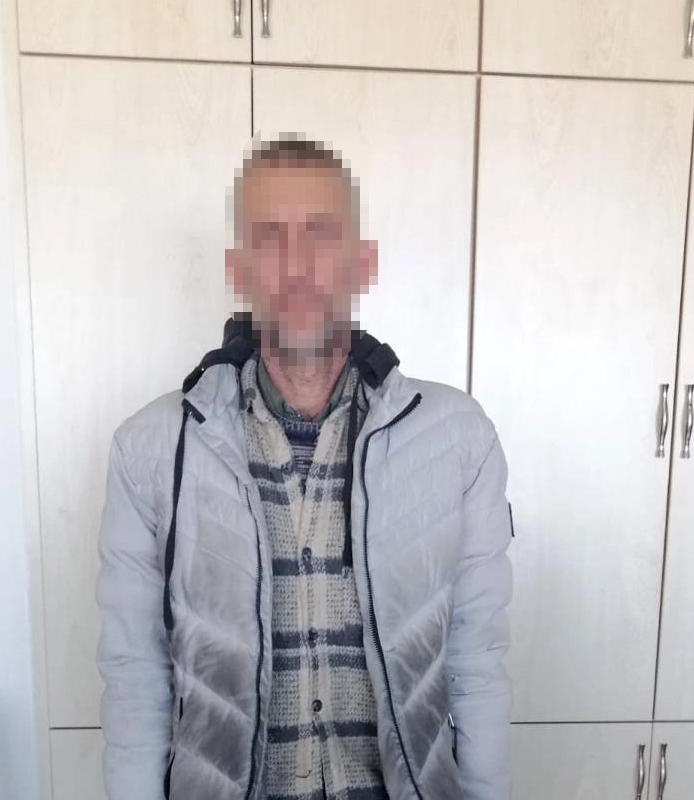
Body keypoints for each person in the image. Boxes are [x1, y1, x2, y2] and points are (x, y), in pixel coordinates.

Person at [96, 135, 513, 800]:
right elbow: (135, 677)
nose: (295, 266)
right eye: (269, 238)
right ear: (238, 269)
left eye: (320, 235)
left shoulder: (459, 440)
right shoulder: (149, 449)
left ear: (362, 262)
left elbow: (476, 662)